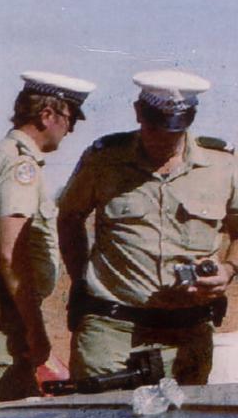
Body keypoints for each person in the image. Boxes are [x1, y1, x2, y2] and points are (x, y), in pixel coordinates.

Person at [58, 70, 238, 384]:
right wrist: (81, 279)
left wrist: (228, 269)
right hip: (112, 328)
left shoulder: (222, 165)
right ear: (139, 112)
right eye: (154, 127)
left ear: (190, 120)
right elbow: (70, 218)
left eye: (174, 131)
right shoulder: (104, 160)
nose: (163, 140)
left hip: (188, 332)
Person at [0, 71, 94, 404]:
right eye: (69, 120)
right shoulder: (20, 166)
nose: (69, 131)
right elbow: (11, 255)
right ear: (47, 115)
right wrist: (35, 329)